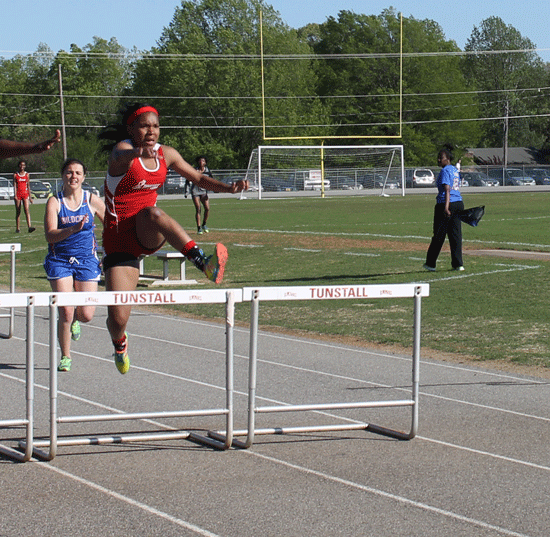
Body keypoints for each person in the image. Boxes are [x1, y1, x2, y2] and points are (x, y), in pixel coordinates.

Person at [98, 103, 248, 374]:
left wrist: (228, 188)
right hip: (118, 240)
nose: (151, 131)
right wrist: (136, 151)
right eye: (144, 126)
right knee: (118, 318)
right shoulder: (122, 151)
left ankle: (205, 264)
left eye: (155, 126)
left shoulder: (166, 154)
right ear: (131, 129)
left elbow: (199, 178)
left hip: (147, 231)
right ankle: (119, 343)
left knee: (153, 212)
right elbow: (121, 157)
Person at [44, 159, 105, 372]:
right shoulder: (55, 202)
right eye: (69, 172)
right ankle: (66, 356)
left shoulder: (92, 200)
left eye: (78, 173)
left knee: (86, 315)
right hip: (60, 260)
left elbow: (112, 226)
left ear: (84, 177)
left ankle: (77, 320)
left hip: (87, 260)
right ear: (62, 176)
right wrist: (72, 229)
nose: (73, 177)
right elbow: (50, 235)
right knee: (66, 312)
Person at [423, 148, 464, 272]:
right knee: (455, 235)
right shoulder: (454, 170)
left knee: (439, 235)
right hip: (458, 203)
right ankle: (458, 264)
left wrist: (446, 207)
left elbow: (447, 189)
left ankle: (430, 263)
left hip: (446, 203)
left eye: (441, 157)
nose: (439, 159)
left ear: (448, 159)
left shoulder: (446, 170)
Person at [184, 155, 211, 234]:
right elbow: (187, 180)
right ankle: (199, 227)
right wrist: (186, 192)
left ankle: (204, 224)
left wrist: (214, 188)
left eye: (202, 160)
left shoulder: (207, 171)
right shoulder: (194, 170)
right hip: (195, 191)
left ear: (205, 162)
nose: (201, 162)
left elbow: (212, 180)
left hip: (204, 192)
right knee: (198, 208)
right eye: (199, 160)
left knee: (207, 208)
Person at [13, 160, 36, 233]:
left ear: (25, 166)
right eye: (20, 165)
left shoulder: (27, 175)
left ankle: (29, 227)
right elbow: (15, 186)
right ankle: (17, 228)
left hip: (25, 194)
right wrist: (15, 195)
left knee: (26, 210)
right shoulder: (15, 175)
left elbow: (28, 186)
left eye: (23, 165)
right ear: (19, 166)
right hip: (18, 194)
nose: (22, 167)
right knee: (18, 211)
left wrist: (30, 197)